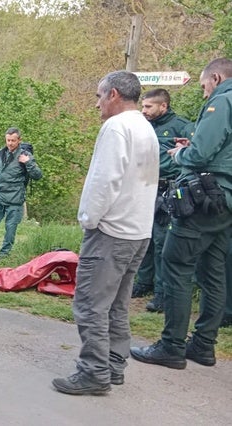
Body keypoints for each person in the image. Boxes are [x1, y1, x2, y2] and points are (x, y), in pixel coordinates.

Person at [51, 71, 159, 396]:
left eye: (99, 97)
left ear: (113, 94)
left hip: (112, 230)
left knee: (90, 303)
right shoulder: (145, 127)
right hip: (138, 229)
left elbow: (105, 179)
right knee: (117, 305)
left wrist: (88, 218)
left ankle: (94, 371)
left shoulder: (116, 127)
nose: (96, 104)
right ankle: (113, 365)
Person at [131, 58, 232, 370]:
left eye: (204, 86)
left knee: (176, 264)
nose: (204, 93)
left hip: (203, 198)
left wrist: (181, 153)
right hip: (225, 201)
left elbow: (200, 154)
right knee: (213, 271)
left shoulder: (222, 100)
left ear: (215, 77)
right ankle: (203, 345)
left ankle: (171, 345)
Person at [131, 89, 194, 313]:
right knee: (143, 239)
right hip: (144, 188)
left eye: (148, 107)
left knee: (161, 242)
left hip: (168, 190)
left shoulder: (183, 126)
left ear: (163, 106)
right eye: (143, 106)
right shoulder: (143, 126)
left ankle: (162, 293)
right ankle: (143, 282)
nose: (143, 110)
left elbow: (192, 156)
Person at [0, 127, 42, 261]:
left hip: (15, 199)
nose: (10, 143)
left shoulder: (25, 155)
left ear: (19, 140)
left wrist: (28, 163)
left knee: (10, 229)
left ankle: (4, 255)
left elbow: (37, 175)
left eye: (13, 140)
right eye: (8, 140)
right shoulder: (0, 154)